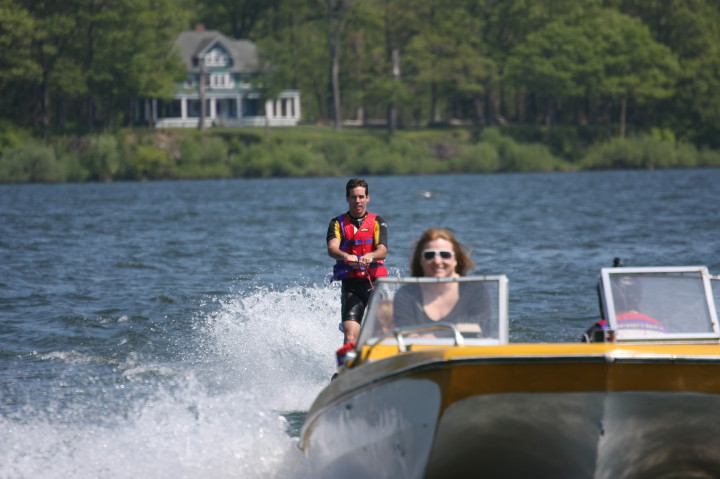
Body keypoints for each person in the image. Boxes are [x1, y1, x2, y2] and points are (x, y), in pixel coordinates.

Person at [393, 228, 491, 336]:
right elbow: (405, 332)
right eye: (429, 255)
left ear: (456, 260)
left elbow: (480, 326)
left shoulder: (475, 291)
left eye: (445, 255)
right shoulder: (406, 294)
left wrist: (437, 337)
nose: (437, 261)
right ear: (420, 260)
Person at [327, 178, 388, 344]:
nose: (357, 201)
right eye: (353, 197)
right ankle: (347, 360)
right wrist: (346, 256)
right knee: (350, 336)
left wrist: (371, 256)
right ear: (347, 198)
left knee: (384, 332)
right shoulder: (337, 223)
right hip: (352, 286)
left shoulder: (378, 221)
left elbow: (382, 251)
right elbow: (332, 249)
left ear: (368, 198)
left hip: (375, 283)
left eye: (361, 197)